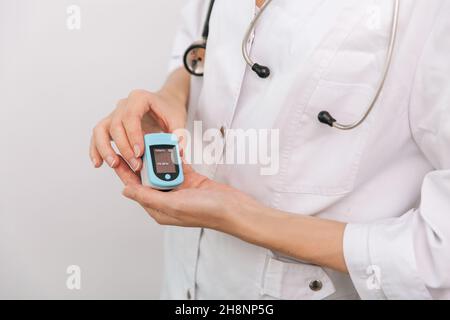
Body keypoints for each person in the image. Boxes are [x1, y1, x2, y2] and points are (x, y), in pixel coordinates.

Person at [89, 0, 450, 299]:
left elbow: (440, 255)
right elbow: (201, 41)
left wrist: (244, 218)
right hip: (187, 280)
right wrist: (172, 95)